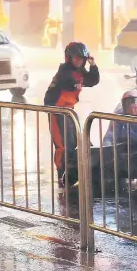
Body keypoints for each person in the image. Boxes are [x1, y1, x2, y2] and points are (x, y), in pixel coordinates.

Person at [44, 42, 100, 190]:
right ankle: (61, 175)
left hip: (69, 111)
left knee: (75, 142)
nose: (79, 61)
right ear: (69, 57)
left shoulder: (80, 72)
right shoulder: (64, 71)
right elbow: (70, 82)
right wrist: (81, 78)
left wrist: (93, 65)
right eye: (76, 58)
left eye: (81, 59)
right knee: (62, 145)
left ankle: (73, 173)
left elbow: (93, 81)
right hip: (56, 111)